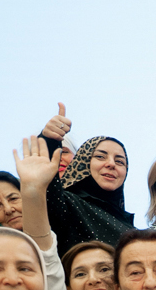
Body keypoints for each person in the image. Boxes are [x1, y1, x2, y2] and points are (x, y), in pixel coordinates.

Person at [31, 108, 137, 254]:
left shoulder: (130, 227)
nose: (111, 164)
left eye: (120, 161)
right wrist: (49, 140)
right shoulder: (68, 204)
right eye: (100, 156)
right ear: (83, 163)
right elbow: (45, 185)